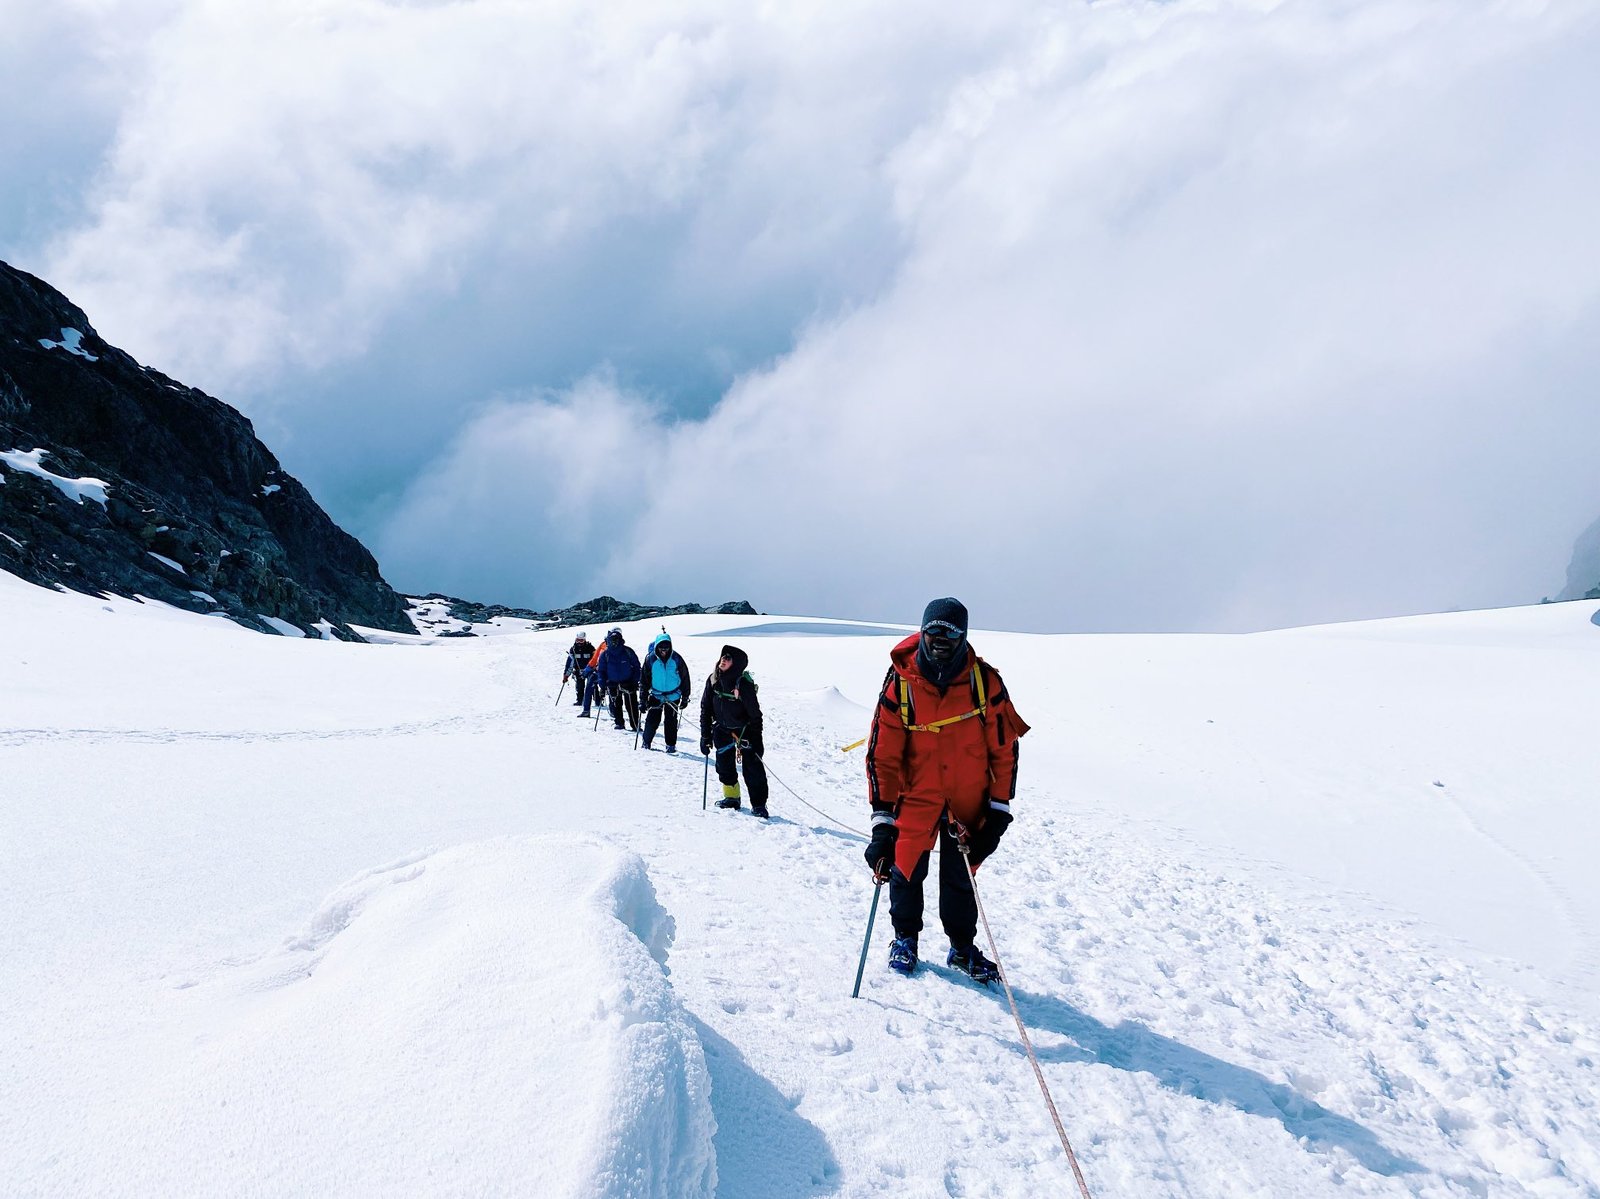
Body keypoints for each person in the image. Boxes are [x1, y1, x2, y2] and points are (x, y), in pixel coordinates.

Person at [862, 598, 1028, 982]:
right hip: (915, 797)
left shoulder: (984, 682)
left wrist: (999, 810)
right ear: (922, 631)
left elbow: (1004, 748)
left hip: (968, 800)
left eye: (951, 632)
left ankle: (962, 948)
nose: (941, 638)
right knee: (905, 869)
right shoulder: (901, 682)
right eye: (933, 630)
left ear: (964, 636)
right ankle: (905, 939)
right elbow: (882, 755)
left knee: (961, 877)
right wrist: (882, 820)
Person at [699, 645, 769, 818]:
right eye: (723, 656)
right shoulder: (713, 680)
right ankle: (732, 798)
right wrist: (705, 735)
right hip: (722, 730)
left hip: (745, 732)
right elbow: (706, 708)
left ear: (736, 663)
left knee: (753, 769)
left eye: (728, 658)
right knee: (724, 766)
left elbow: (755, 715)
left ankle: (759, 805)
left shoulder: (743, 684)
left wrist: (757, 739)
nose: (723, 659)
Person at [639, 632, 691, 752]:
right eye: (661, 647)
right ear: (657, 646)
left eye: (666, 647)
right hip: (656, 695)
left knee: (671, 722)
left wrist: (685, 696)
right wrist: (642, 700)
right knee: (652, 720)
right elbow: (644, 681)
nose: (664, 650)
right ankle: (646, 742)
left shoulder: (677, 659)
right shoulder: (650, 659)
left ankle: (671, 745)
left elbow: (685, 678)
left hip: (673, 695)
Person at [594, 627, 641, 731]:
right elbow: (601, 671)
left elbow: (637, 667)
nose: (614, 642)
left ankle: (635, 725)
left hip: (628, 683)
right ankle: (619, 723)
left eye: (616, 639)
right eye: (612, 640)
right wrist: (602, 684)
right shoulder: (605, 654)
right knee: (616, 705)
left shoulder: (628, 651)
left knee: (631, 705)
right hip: (612, 683)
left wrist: (634, 681)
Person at [577, 635, 607, 718]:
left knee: (589, 687)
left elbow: (594, 659)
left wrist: (586, 671)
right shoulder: (624, 648)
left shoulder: (603, 645)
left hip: (599, 672)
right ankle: (614, 712)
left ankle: (586, 710)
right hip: (612, 674)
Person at [563, 631, 595, 706]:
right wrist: (566, 675)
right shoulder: (573, 649)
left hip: (589, 670)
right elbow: (569, 664)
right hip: (579, 670)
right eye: (578, 640)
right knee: (579, 686)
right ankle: (580, 700)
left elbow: (595, 659)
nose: (579, 642)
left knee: (593, 685)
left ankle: (597, 700)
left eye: (581, 640)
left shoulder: (590, 648)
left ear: (585, 640)